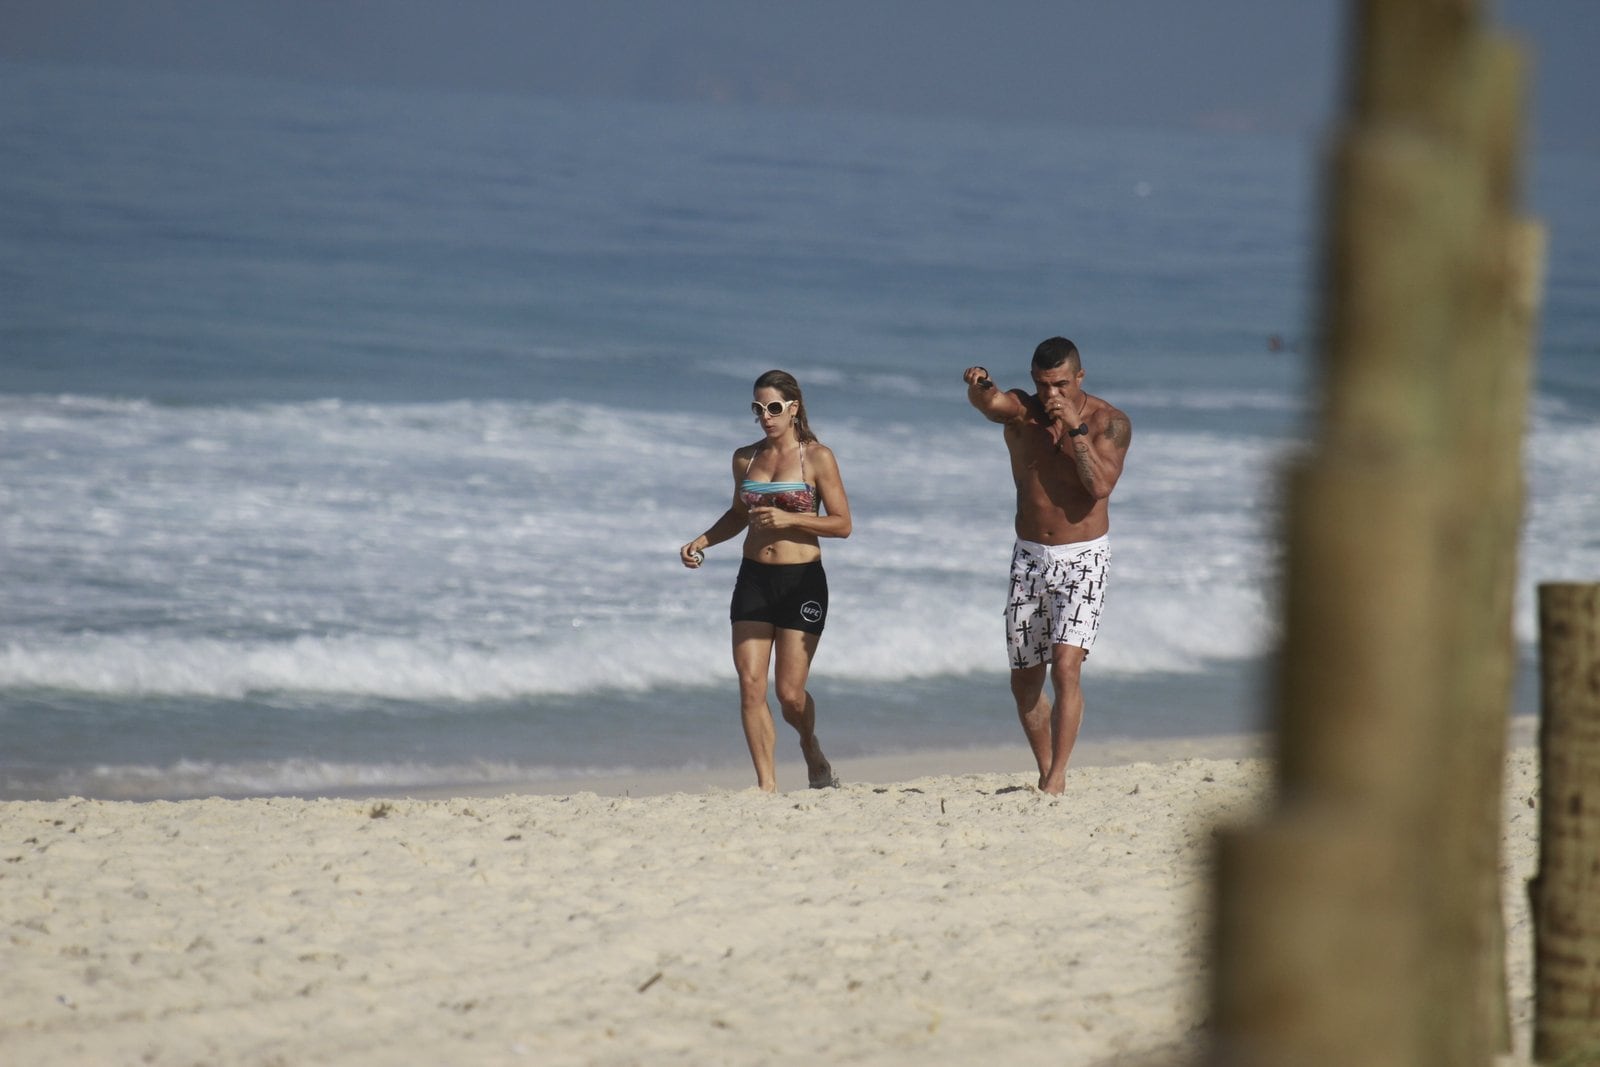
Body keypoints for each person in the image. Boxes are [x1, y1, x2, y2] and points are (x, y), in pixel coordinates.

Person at [963, 338, 1132, 794]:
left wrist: (1075, 429)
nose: (1051, 395)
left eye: (1059, 384)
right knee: (1024, 682)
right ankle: (1045, 769)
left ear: (1079, 376)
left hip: (1084, 558)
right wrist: (979, 386)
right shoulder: (1024, 411)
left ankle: (1057, 777)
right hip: (1030, 558)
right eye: (1042, 385)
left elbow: (1098, 486)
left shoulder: (1109, 422)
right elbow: (992, 404)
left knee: (1065, 666)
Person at [680, 369, 852, 792]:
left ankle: (811, 749)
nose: (765, 416)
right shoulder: (745, 458)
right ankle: (767, 786)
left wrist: (790, 517)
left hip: (801, 581)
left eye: (773, 408)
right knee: (750, 684)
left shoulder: (817, 457)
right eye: (758, 409)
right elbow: (739, 515)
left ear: (793, 408)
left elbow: (842, 523)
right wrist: (702, 540)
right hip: (754, 577)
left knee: (790, 695)